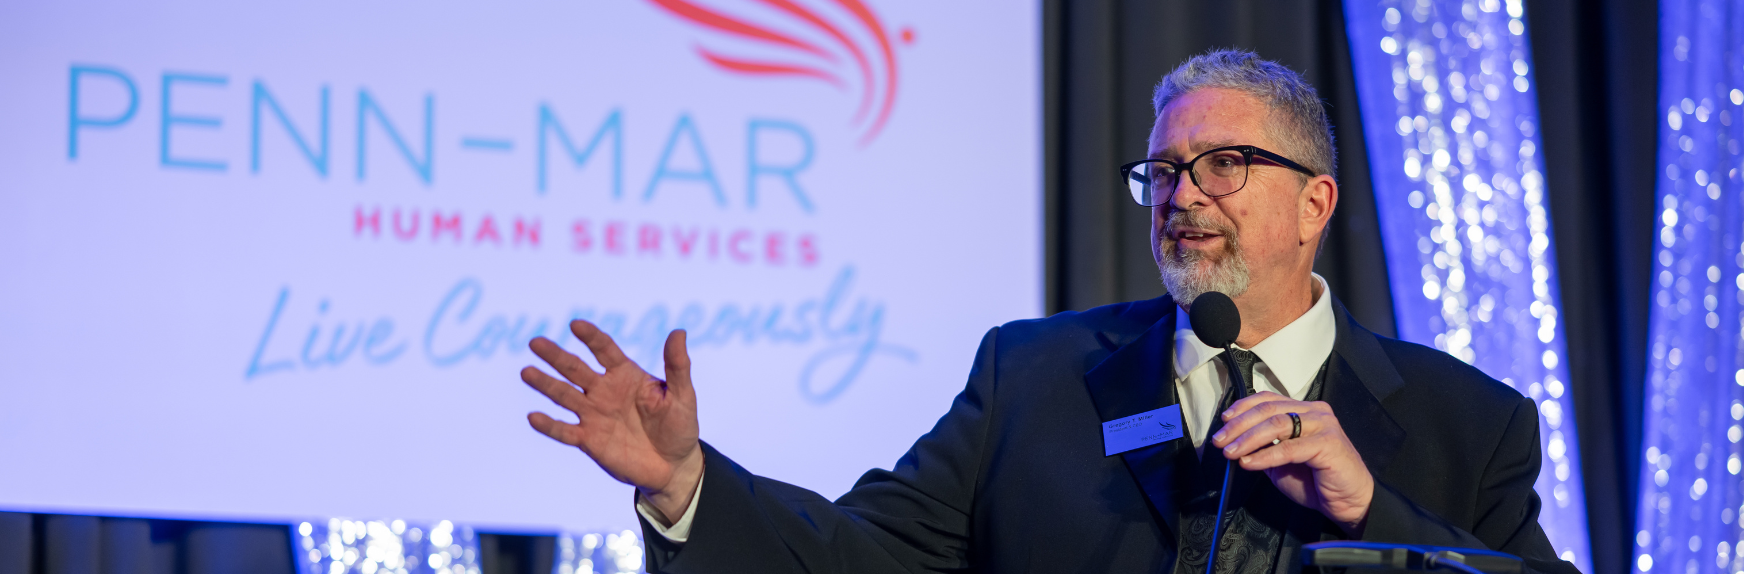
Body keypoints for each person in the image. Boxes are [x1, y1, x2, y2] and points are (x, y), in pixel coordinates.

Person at [518, 49, 1582, 574]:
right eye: (1162, 171)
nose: (1182, 196)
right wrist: (687, 483)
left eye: (1223, 165)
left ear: (1316, 203)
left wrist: (1372, 513)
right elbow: (858, 556)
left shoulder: (1466, 423)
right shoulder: (1032, 379)